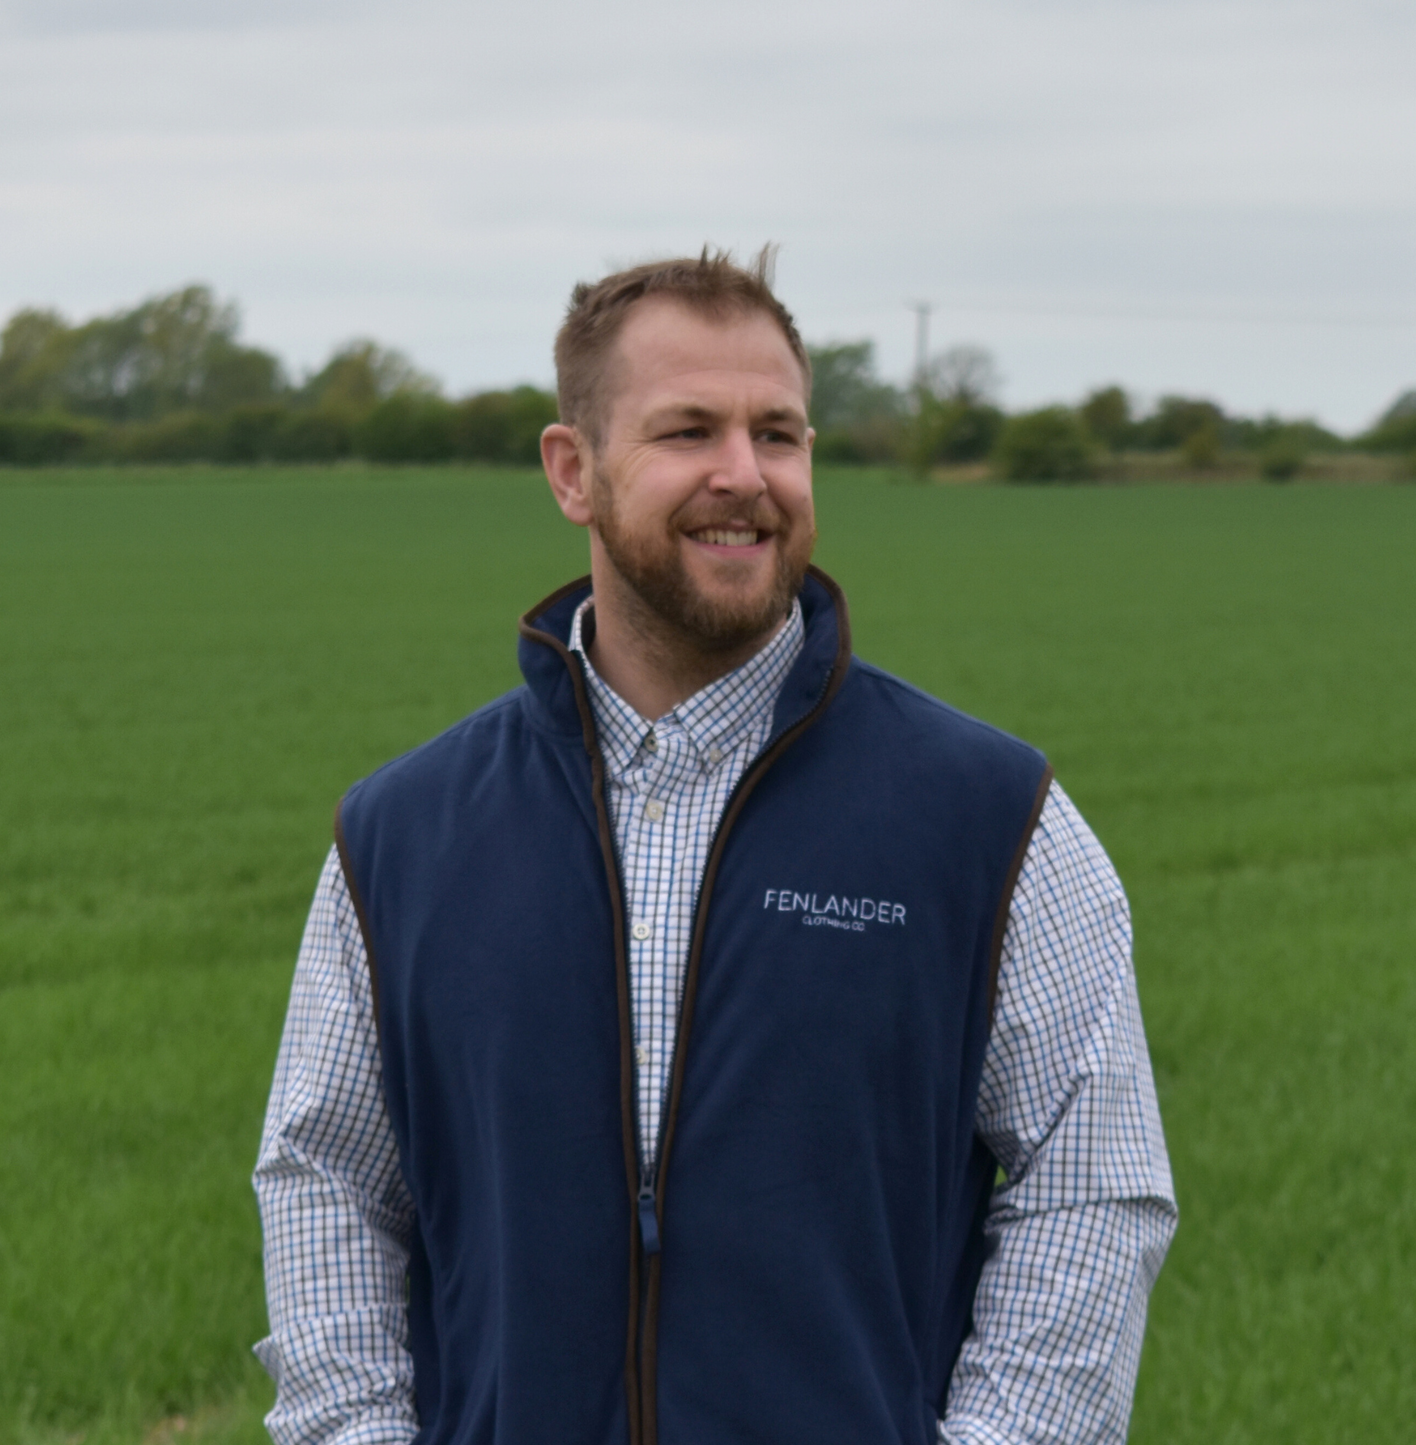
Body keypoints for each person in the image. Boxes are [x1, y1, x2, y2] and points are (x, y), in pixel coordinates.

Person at [253, 248, 1176, 1445]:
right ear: (572, 470)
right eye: (689, 430)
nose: (744, 475)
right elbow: (326, 1179)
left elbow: (1091, 1187)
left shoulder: (990, 817)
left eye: (778, 434)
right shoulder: (402, 835)